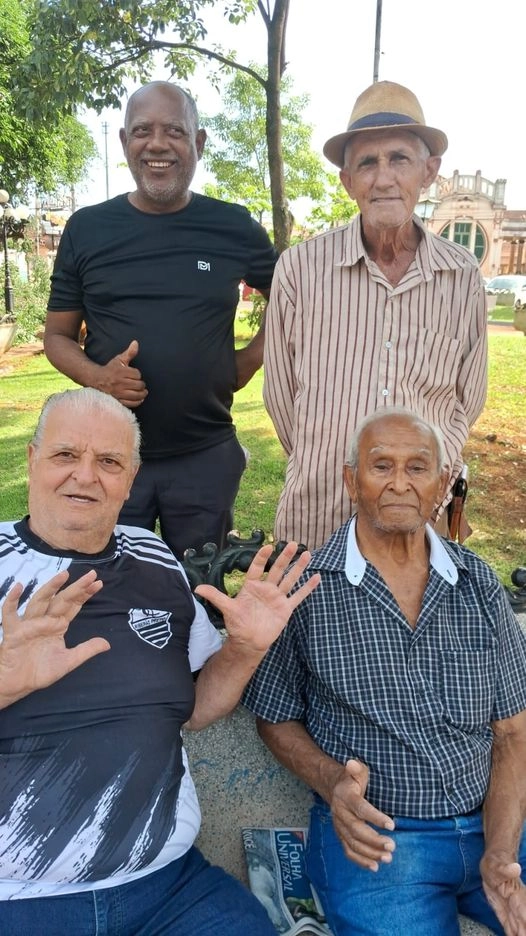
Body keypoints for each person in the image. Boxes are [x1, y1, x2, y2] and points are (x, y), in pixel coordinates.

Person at [0, 387, 319, 935]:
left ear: (132, 478)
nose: (85, 475)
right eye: (64, 455)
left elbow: (194, 709)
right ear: (32, 459)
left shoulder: (152, 557)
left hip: (168, 888)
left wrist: (244, 648)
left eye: (109, 462)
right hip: (21, 899)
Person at [243, 408, 526, 936]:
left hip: (498, 824)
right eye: (381, 466)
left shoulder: (478, 584)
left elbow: (512, 731)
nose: (400, 483)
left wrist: (502, 851)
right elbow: (274, 720)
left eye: (418, 468)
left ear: (442, 483)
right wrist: (332, 784)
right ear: (352, 480)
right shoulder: (307, 590)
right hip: (381, 837)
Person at [44, 81, 278, 559]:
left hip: (204, 454)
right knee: (103, 587)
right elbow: (56, 337)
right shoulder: (86, 229)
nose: (157, 144)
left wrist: (249, 359)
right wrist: (97, 377)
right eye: (142, 130)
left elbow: (294, 298)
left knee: (197, 593)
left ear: (198, 142)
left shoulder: (233, 227)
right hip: (107, 456)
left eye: (174, 130)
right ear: (125, 142)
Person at [263, 80, 487, 549]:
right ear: (348, 182)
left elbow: (467, 398)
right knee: (309, 623)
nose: (383, 178)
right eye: (367, 162)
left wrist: (430, 473)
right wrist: (330, 461)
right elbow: (282, 399)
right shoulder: (300, 270)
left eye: (399, 159)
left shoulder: (461, 274)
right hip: (317, 516)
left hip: (420, 523)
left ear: (429, 171)